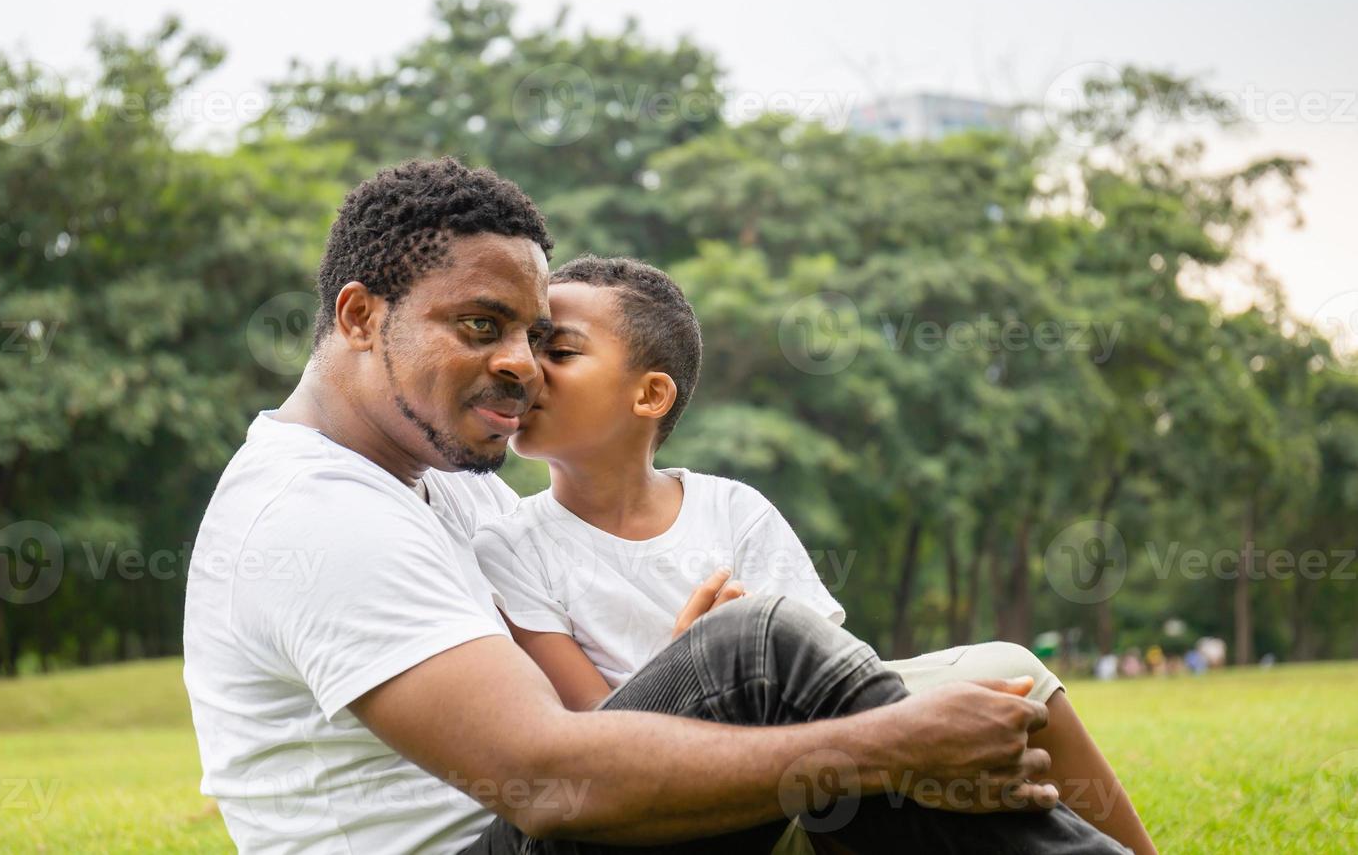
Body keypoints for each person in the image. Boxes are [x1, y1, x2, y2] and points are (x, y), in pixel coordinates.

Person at [183, 157, 1133, 854]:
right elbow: (548, 776)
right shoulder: (316, 517)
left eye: (536, 333)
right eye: (481, 325)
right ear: (358, 318)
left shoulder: (435, 485)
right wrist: (890, 745)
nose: (519, 363)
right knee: (758, 648)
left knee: (918, 670)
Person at [474, 255, 1156, 855]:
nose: (528, 368)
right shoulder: (512, 546)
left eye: (558, 351)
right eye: (531, 346)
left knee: (1010, 668)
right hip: (706, 790)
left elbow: (829, 675)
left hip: (817, 752)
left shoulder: (730, 508)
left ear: (649, 394)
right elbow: (592, 736)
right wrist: (697, 662)